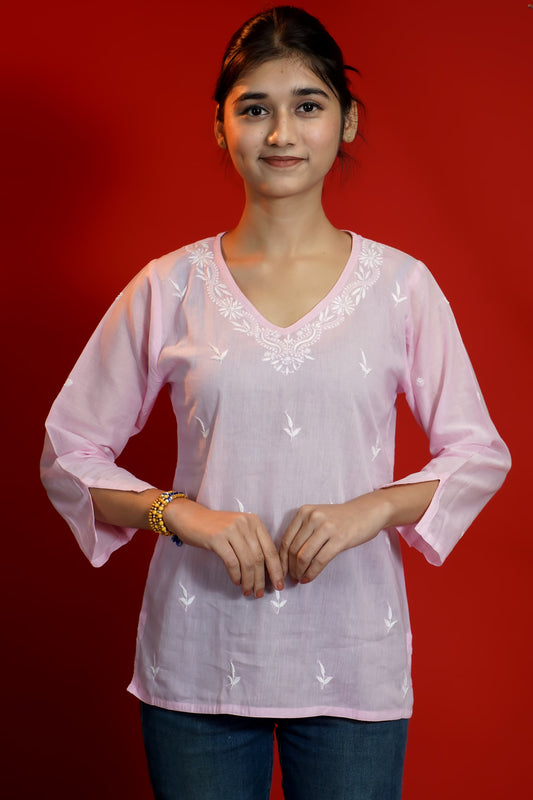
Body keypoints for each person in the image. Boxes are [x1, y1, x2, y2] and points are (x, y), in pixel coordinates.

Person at [41, 6, 511, 799]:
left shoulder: (401, 289)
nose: (281, 133)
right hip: (197, 655)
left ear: (346, 120)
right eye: (254, 108)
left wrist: (371, 509)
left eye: (308, 105)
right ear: (220, 127)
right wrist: (183, 515)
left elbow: (477, 453)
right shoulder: (171, 286)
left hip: (352, 655)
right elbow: (67, 453)